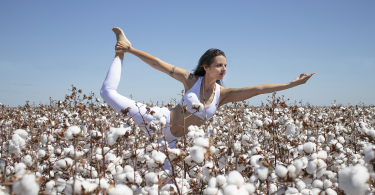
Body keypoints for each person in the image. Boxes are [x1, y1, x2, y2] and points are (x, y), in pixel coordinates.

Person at [100, 27, 315, 149]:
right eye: (219, 65)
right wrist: (130, 50)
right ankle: (120, 49)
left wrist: (291, 84)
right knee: (107, 93)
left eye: (225, 66)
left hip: (173, 144)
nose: (223, 70)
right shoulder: (191, 79)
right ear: (207, 67)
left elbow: (258, 89)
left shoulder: (223, 95)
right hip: (157, 120)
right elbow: (158, 63)